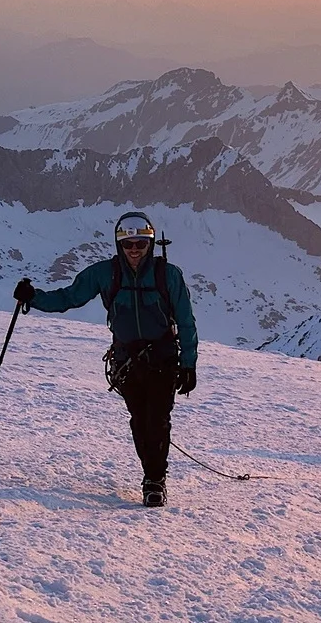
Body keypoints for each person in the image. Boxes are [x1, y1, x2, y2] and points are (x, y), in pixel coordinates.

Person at [13, 211, 198, 507]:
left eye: (140, 243)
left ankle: (154, 480)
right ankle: (152, 475)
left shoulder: (168, 275)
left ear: (150, 243)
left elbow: (186, 321)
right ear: (119, 244)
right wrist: (33, 297)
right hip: (128, 363)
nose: (135, 250)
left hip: (162, 360)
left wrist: (189, 363)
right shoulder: (104, 273)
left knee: (157, 421)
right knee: (140, 421)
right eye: (128, 244)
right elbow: (69, 298)